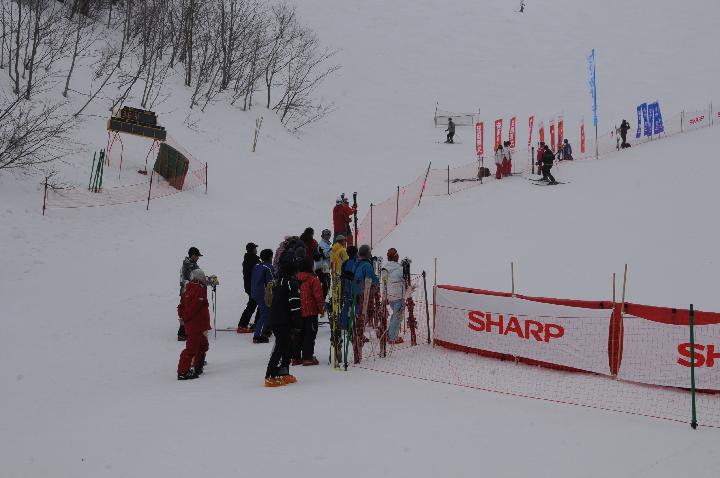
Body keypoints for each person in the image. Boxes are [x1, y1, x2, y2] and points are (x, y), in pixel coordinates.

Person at [264, 248, 303, 387]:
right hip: (282, 320)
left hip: (280, 319)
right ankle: (270, 375)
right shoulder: (290, 282)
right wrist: (298, 322)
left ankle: (283, 372)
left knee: (287, 346)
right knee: (281, 346)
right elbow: (295, 304)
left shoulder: (281, 280)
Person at [177, 268, 211, 380]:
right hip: (196, 325)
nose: (204, 279)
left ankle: (198, 367)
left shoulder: (190, 288)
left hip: (198, 325)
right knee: (191, 349)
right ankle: (183, 372)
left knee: (203, 345)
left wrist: (183, 316)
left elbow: (181, 305)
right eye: (203, 277)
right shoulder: (198, 290)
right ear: (199, 278)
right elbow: (193, 308)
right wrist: (185, 317)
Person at [294, 261, 325, 366]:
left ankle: (296, 357)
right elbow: (318, 296)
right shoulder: (313, 279)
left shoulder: (294, 279)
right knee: (310, 334)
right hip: (310, 311)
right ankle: (307, 357)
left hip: (297, 311)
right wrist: (321, 309)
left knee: (298, 334)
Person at [178, 246, 202, 341]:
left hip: (189, 292)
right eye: (197, 256)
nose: (198, 257)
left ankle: (188, 331)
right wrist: (205, 280)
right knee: (187, 312)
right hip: (187, 292)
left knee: (190, 311)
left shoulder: (191, 264)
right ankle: (182, 333)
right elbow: (192, 279)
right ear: (193, 255)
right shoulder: (188, 266)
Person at [381, 248, 406, 344]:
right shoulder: (400, 269)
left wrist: (384, 296)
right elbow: (405, 281)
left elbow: (383, 283)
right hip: (399, 296)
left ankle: (390, 333)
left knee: (395, 315)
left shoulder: (384, 268)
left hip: (390, 296)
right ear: (396, 257)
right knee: (397, 316)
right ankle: (392, 338)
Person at [251, 249, 274, 343]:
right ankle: (258, 335)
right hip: (263, 293)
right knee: (265, 313)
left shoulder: (257, 266)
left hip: (255, 292)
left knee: (265, 312)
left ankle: (265, 329)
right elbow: (271, 281)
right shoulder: (268, 267)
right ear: (270, 257)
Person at [237, 242, 260, 333]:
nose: (256, 250)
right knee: (253, 305)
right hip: (253, 286)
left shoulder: (247, 259)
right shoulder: (254, 260)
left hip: (249, 286)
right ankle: (243, 325)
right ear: (253, 249)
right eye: (255, 248)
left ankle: (244, 324)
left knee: (253, 304)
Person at [315, 229, 332, 312]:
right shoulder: (322, 244)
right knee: (325, 284)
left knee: (326, 284)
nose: (327, 236)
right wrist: (333, 250)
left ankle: (322, 302)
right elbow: (325, 254)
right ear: (323, 236)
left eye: (329, 234)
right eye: (326, 234)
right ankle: (321, 303)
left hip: (325, 267)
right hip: (322, 267)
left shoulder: (327, 244)